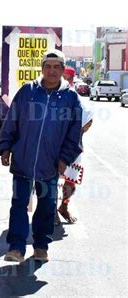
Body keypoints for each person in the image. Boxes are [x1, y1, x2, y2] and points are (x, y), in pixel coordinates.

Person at [0, 49, 82, 263]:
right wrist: (5, 146)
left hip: (51, 163)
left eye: (56, 67)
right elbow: (11, 121)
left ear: (62, 70)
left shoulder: (71, 98)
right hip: (23, 160)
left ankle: (41, 246)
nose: (52, 71)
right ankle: (16, 247)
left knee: (46, 206)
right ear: (42, 68)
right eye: (48, 66)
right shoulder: (27, 91)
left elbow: (74, 133)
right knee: (19, 204)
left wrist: (65, 158)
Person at [55, 66, 93, 225]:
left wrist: (77, 134)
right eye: (64, 77)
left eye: (69, 78)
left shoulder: (77, 98)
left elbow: (88, 121)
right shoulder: (49, 96)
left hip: (73, 148)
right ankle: (51, 212)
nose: (66, 81)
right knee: (49, 181)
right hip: (51, 146)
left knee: (70, 181)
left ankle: (63, 207)